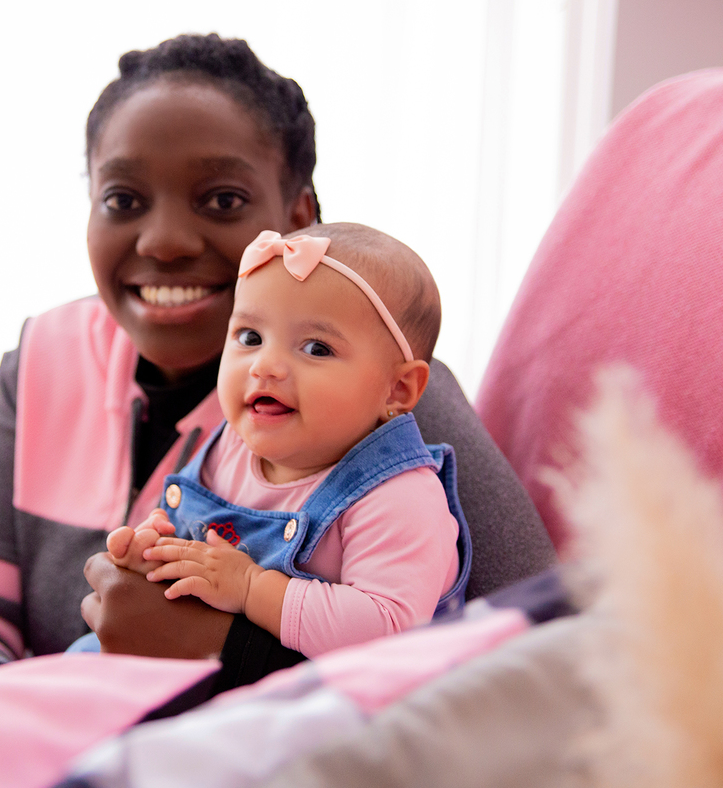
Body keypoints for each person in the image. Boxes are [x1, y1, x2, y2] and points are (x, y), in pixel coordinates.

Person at [0, 33, 554, 729]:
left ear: (298, 221)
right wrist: (0, 731)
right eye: (123, 200)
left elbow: (530, 658)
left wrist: (224, 652)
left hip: (252, 741)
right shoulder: (44, 357)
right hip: (51, 718)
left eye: (222, 201)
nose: (162, 242)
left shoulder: (384, 409)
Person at [74, 223, 469, 658]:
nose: (266, 366)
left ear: (397, 390)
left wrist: (252, 587)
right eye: (250, 338)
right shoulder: (231, 448)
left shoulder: (398, 496)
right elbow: (198, 554)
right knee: (73, 664)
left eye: (317, 348)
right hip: (203, 674)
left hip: (336, 713)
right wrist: (158, 552)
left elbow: (388, 631)